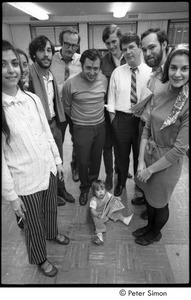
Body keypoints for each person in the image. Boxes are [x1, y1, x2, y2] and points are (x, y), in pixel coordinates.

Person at [2, 40, 70, 277]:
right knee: (33, 224)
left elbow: (46, 132)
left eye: (14, 64)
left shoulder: (32, 98)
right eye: (3, 64)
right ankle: (40, 258)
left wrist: (58, 162)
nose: (11, 70)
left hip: (48, 171)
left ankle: (52, 233)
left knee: (51, 210)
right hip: (25, 181)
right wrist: (11, 197)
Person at [133, 44, 189, 246]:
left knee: (160, 202)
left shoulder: (187, 103)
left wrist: (149, 170)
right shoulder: (161, 89)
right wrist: (140, 162)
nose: (178, 73)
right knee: (148, 197)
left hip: (167, 164)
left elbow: (179, 149)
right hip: (149, 154)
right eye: (173, 67)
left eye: (184, 68)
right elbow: (148, 126)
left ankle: (155, 232)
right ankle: (149, 227)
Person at [28, 35, 75, 206]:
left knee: (58, 158)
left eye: (49, 50)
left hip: (54, 122)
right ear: (34, 55)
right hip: (38, 127)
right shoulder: (29, 75)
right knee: (45, 162)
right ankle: (50, 195)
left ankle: (61, 189)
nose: (46, 54)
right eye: (41, 50)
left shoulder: (50, 75)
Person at [107, 32, 152, 197]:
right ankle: (120, 183)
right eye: (124, 49)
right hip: (121, 120)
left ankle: (140, 186)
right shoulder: (117, 73)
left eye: (131, 47)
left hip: (143, 122)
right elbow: (110, 100)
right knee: (121, 155)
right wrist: (114, 122)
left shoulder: (151, 72)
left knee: (141, 155)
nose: (128, 52)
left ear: (140, 48)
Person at [131, 28, 169, 217]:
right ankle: (147, 199)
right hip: (144, 127)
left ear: (164, 45)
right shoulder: (155, 73)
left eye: (152, 47)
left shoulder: (172, 76)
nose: (147, 53)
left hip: (157, 135)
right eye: (144, 49)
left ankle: (153, 206)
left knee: (156, 175)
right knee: (143, 165)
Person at [62, 49, 108, 206]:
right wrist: (80, 119)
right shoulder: (70, 83)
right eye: (88, 68)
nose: (92, 72)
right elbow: (67, 107)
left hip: (100, 126)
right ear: (82, 66)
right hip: (81, 128)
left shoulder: (104, 80)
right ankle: (84, 188)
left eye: (96, 68)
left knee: (96, 159)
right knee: (82, 161)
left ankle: (94, 185)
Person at [101, 24, 132, 191]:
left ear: (120, 39)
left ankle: (121, 169)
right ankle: (108, 174)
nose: (111, 46)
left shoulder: (129, 58)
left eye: (114, 41)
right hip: (107, 111)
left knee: (122, 145)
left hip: (124, 111)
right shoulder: (102, 61)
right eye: (107, 43)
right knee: (108, 145)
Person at [51, 27, 82, 183]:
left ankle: (75, 165)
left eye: (74, 45)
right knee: (58, 140)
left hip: (76, 109)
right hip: (57, 109)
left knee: (77, 140)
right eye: (67, 44)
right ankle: (58, 168)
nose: (70, 48)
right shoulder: (51, 59)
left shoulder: (81, 60)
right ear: (60, 43)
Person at [90, 180, 133, 245]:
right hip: (99, 215)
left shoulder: (107, 194)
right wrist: (97, 214)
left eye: (102, 189)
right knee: (98, 223)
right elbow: (92, 210)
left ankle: (124, 219)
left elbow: (112, 197)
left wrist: (116, 198)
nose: (101, 192)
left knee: (116, 213)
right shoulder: (94, 200)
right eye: (98, 190)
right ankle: (99, 235)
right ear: (94, 192)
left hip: (107, 211)